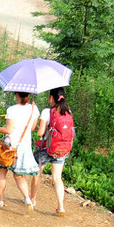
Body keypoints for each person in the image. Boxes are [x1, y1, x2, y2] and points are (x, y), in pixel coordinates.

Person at [0, 91, 41, 212]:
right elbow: (32, 128)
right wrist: (34, 109)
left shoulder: (12, 109)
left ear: (16, 94)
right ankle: (27, 199)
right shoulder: (34, 109)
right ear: (28, 95)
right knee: (19, 176)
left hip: (10, 145)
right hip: (24, 146)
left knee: (2, 171)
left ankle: (0, 199)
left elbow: (8, 129)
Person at [30, 88, 73, 216]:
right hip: (62, 150)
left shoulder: (46, 112)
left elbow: (40, 133)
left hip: (45, 148)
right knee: (57, 178)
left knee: (37, 174)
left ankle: (32, 200)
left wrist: (36, 117)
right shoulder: (68, 112)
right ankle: (61, 207)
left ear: (51, 98)